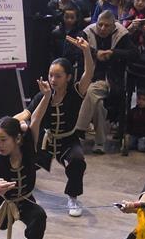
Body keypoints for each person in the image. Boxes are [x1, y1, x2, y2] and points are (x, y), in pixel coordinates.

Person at [16, 46, 95, 216]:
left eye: (58, 76)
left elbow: (89, 73)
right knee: (25, 162)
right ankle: (18, 184)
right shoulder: (43, 95)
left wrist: (86, 51)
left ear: (68, 77)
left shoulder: (76, 92)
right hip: (45, 139)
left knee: (77, 161)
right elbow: (26, 114)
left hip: (68, 139)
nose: (53, 79)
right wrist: (4, 124)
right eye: (51, 75)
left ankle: (73, 198)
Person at [80, 10, 135, 153]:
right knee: (98, 105)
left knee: (92, 90)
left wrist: (113, 53)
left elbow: (134, 53)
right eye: (100, 24)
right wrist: (94, 53)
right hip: (88, 77)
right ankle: (100, 143)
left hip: (111, 81)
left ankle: (78, 132)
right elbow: (73, 50)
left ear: (114, 25)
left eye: (107, 25)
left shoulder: (121, 34)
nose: (102, 28)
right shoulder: (88, 32)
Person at [123, 87, 145, 156]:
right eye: (139, 99)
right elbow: (129, 124)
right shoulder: (133, 111)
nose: (140, 101)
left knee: (141, 147)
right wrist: (128, 133)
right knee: (129, 143)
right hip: (135, 135)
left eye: (144, 99)